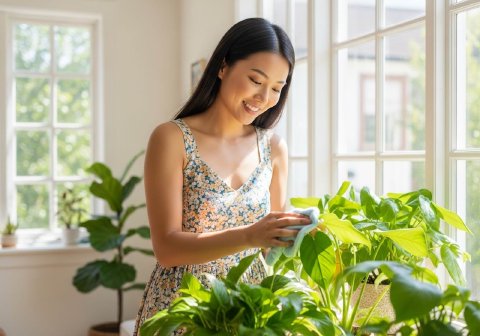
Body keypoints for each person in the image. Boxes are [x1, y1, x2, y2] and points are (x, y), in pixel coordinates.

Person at [133, 17, 311, 335]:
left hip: (252, 310)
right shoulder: (171, 139)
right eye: (256, 80)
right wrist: (249, 235)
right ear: (224, 66)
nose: (264, 97)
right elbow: (167, 248)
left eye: (276, 88)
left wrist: (296, 232)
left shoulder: (274, 148)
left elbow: (271, 248)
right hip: (184, 309)